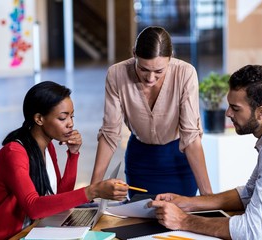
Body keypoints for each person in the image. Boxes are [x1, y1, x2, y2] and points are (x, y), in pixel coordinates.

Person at [149, 64, 262, 239]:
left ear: (261, 112)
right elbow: (250, 192)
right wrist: (189, 203)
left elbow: (251, 231)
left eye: (235, 108)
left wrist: (183, 220)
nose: (228, 113)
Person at [0, 81, 129, 240]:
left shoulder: (48, 147)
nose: (71, 123)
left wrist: (73, 155)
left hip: (30, 232)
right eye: (63, 118)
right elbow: (33, 207)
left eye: (71, 116)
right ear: (39, 119)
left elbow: (60, 197)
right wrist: (92, 191)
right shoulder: (14, 153)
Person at [90, 26, 212, 197]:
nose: (151, 78)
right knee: (139, 218)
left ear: (171, 57)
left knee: (182, 220)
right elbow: (110, 133)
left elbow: (191, 136)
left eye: (159, 71)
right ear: (134, 54)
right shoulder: (116, 74)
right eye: (144, 69)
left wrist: (208, 197)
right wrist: (93, 189)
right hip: (140, 160)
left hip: (179, 160)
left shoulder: (186, 73)